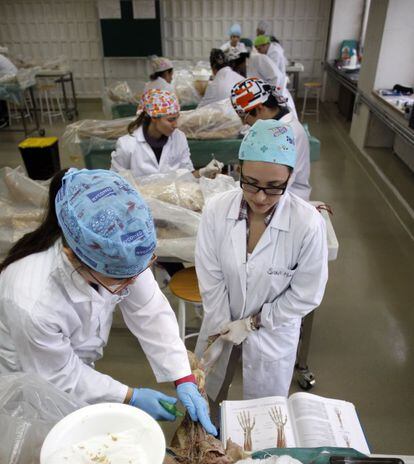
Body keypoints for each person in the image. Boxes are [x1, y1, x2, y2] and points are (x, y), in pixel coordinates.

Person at [0, 168, 217, 436]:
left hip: (72, 365)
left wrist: (182, 377)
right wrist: (130, 396)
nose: (131, 284)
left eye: (135, 274)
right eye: (120, 280)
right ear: (72, 257)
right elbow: (59, 377)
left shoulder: (119, 256)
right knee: (50, 437)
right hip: (29, 378)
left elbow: (149, 311)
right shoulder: (31, 299)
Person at [195, 120, 328, 421]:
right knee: (209, 401)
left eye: (273, 188)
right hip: (221, 322)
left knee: (263, 419)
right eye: (251, 183)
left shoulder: (307, 224)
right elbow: (210, 278)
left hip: (272, 334)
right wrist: (221, 326)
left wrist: (254, 323)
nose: (259, 198)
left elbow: (306, 294)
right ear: (238, 169)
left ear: (291, 177)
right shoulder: (216, 210)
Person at [111, 89, 222, 179]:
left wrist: (204, 172)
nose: (176, 125)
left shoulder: (179, 138)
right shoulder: (127, 145)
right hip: (140, 204)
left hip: (173, 203)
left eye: (176, 118)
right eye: (170, 120)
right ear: (154, 117)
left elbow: (187, 177)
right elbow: (115, 181)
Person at [231, 78, 311, 200]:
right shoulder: (269, 126)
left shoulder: (289, 133)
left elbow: (278, 183)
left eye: (244, 117)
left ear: (260, 108)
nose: (244, 122)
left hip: (287, 196)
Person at [228, 47, 297, 117]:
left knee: (284, 122)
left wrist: (269, 98)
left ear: (242, 61)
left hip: (278, 97)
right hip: (266, 104)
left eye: (238, 68)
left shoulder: (259, 59)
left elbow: (276, 78)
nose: (239, 71)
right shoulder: (247, 66)